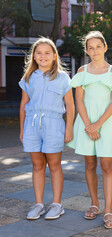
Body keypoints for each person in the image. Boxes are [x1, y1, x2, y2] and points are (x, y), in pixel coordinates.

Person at [67, 31, 112, 229]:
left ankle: (108, 209)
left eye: (98, 46)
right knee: (89, 164)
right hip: (85, 123)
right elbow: (79, 101)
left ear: (105, 47)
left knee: (107, 165)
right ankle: (94, 204)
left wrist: (98, 125)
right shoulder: (81, 72)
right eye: (90, 47)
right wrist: (88, 125)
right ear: (86, 50)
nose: (95, 51)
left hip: (107, 123)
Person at [19, 37, 74, 220]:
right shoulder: (28, 78)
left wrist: (69, 129)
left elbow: (70, 105)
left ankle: (57, 205)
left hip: (54, 124)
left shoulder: (63, 78)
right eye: (39, 53)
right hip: (32, 125)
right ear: (34, 56)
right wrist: (22, 129)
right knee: (37, 165)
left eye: (47, 53)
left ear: (54, 56)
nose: (43, 56)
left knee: (54, 164)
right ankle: (39, 204)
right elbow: (23, 104)